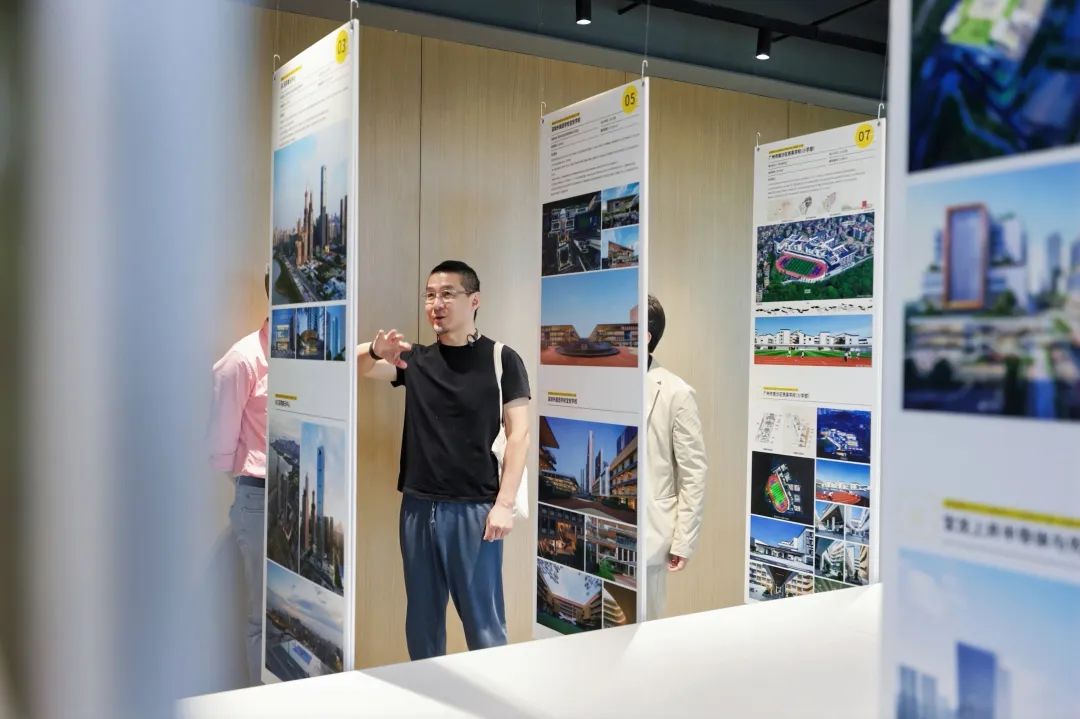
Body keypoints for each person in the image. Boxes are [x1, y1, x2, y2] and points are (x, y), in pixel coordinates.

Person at [356, 260, 531, 660]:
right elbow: (359, 367)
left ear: (474, 301)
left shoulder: (502, 359)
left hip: (475, 511)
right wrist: (375, 349)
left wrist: (504, 504)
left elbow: (519, 434)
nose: (436, 304)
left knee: (483, 626)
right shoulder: (415, 360)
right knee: (422, 623)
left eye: (448, 294)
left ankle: (494, 694)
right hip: (417, 506)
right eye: (430, 295)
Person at [207, 269, 270, 685]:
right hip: (258, 495)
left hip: (300, 495)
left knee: (296, 614)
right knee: (262, 614)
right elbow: (221, 446)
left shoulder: (307, 353)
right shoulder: (242, 359)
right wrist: (250, 484)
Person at [643, 294, 707, 621]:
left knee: (644, 625)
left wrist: (683, 540)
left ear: (645, 336)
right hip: (604, 528)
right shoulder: (603, 384)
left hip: (651, 531)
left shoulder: (676, 392)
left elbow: (693, 472)